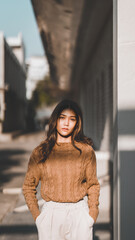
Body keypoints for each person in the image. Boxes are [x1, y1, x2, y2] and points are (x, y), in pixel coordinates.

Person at [22, 99, 100, 240]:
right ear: (55, 120)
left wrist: (92, 215)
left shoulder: (86, 151)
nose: (66, 123)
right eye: (62, 118)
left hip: (79, 213)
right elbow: (28, 186)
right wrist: (38, 217)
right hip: (51, 214)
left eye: (72, 119)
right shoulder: (41, 151)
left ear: (77, 123)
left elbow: (93, 184)